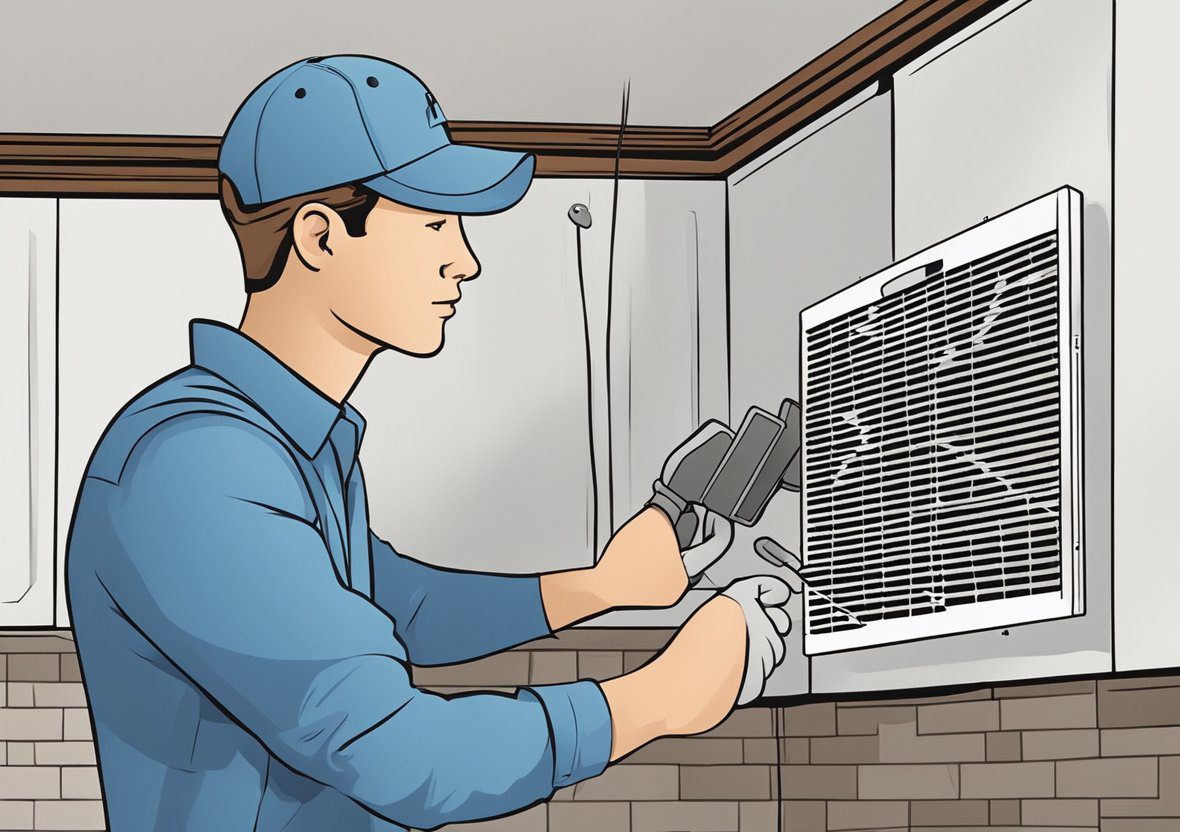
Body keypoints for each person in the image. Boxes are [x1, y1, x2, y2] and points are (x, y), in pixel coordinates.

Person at [65, 55, 791, 832]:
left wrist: (602, 585)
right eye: (435, 220)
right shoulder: (194, 467)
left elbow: (396, 604)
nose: (465, 259)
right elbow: (398, 753)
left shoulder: (289, 447)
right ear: (319, 237)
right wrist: (661, 697)